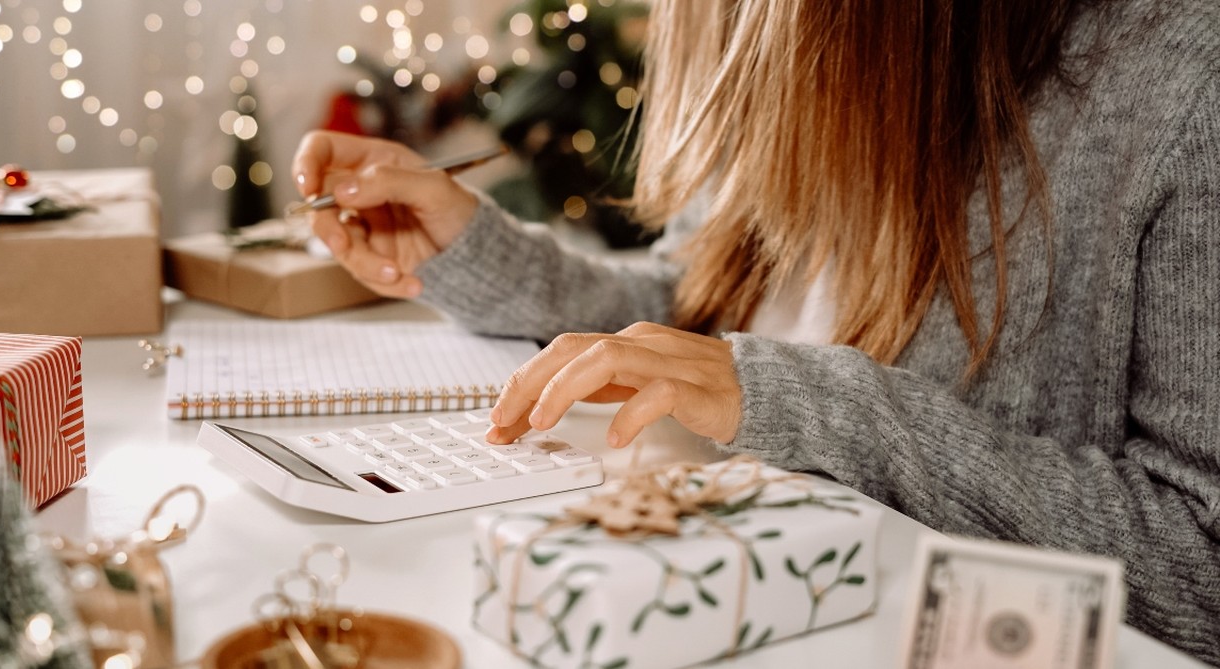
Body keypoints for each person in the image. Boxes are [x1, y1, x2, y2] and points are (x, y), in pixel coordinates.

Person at [292, 0, 1219, 662]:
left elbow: (1202, 570)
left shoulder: (1178, 79)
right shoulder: (777, 41)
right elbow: (696, 303)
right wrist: (469, 243)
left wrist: (798, 398)